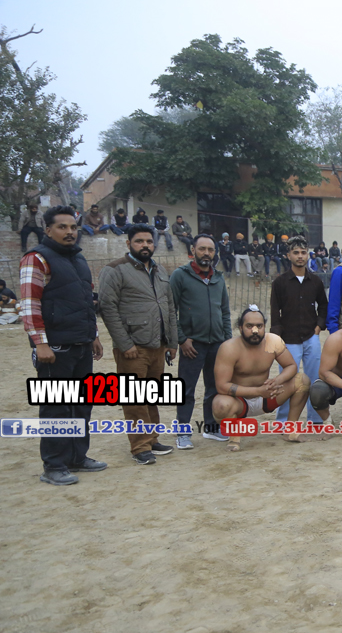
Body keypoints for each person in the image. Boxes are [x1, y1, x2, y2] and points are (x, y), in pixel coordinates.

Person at [19, 205, 107, 485]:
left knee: (81, 405)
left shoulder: (78, 259)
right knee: (56, 407)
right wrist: (40, 344)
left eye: (73, 227)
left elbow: (86, 302)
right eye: (62, 227)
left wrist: (93, 335)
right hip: (55, 348)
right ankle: (54, 466)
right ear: (48, 230)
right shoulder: (37, 259)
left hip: (81, 344)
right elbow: (30, 304)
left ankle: (77, 458)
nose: (70, 232)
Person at [98, 224, 178, 464]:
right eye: (139, 241)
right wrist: (125, 344)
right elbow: (107, 308)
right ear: (129, 244)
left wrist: (172, 342)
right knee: (134, 399)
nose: (145, 245)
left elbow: (169, 307)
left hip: (158, 345)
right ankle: (140, 447)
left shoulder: (160, 270)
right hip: (133, 347)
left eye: (149, 241)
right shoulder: (115, 270)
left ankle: (152, 439)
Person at [213, 307, 313, 450]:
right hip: (239, 401)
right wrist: (258, 391)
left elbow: (291, 366)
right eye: (249, 326)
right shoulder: (229, 348)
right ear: (240, 327)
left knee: (302, 380)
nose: (255, 331)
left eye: (259, 326)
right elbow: (222, 386)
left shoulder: (273, 341)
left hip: (267, 396)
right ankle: (234, 438)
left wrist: (277, 381)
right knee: (220, 405)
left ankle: (290, 431)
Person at [170, 233, 232, 448]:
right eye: (202, 249)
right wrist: (181, 339)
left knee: (214, 388)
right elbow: (170, 311)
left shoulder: (218, 278)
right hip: (192, 345)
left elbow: (225, 312)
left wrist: (228, 342)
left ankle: (211, 428)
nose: (207, 253)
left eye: (211, 250)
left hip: (217, 344)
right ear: (193, 251)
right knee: (186, 390)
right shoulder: (180, 276)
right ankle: (182, 433)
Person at [270, 236, 328, 425]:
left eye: (303, 252)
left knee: (315, 379)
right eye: (296, 253)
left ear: (308, 255)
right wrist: (277, 338)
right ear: (288, 255)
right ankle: (284, 422)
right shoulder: (280, 283)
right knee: (287, 381)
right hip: (288, 339)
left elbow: (323, 306)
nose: (300, 256)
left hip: (311, 336)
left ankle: (315, 419)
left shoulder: (316, 281)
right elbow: (274, 311)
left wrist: (319, 327)